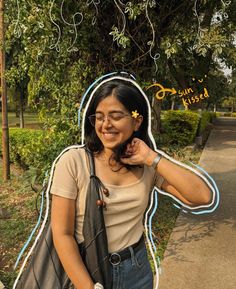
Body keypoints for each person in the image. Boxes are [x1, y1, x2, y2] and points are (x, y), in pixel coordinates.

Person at [50, 76, 212, 289]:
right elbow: (62, 234)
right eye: (99, 117)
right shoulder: (74, 162)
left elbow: (201, 196)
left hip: (137, 270)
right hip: (89, 269)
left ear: (136, 121)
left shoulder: (146, 166)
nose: (105, 125)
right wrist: (87, 287)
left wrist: (152, 158)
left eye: (115, 116)